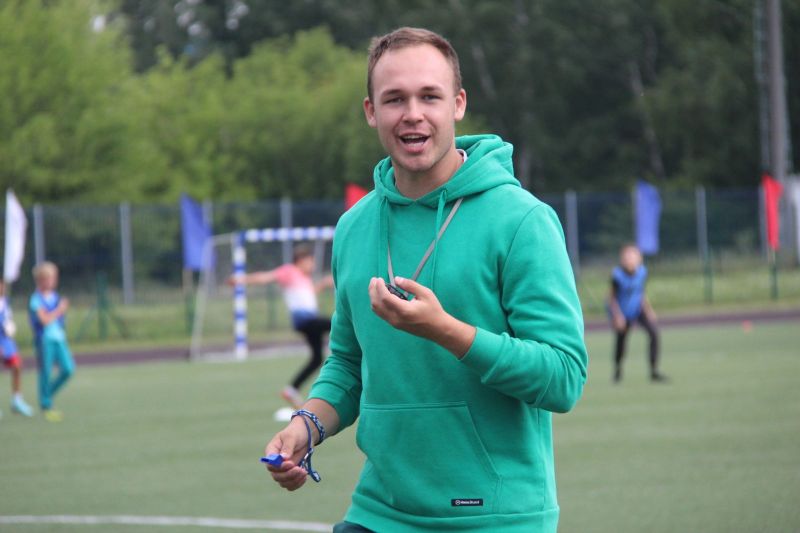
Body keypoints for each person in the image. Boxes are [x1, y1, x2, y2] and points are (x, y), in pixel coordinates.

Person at [263, 27, 588, 532]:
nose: (412, 113)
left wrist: (445, 331)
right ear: (371, 111)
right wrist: (306, 426)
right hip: (380, 512)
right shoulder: (354, 227)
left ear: (458, 105)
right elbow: (348, 364)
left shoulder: (521, 220)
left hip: (497, 518)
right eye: (394, 99)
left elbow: (563, 378)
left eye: (429, 96)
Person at [229, 244, 333, 408]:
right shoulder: (289, 271)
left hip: (310, 321)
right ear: (301, 260)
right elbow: (265, 277)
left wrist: (323, 284)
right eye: (310, 261)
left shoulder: (304, 278)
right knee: (337, 323)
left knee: (317, 358)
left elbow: (308, 294)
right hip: (305, 320)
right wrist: (241, 279)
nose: (313, 265)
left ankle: (291, 390)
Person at [607, 243, 666, 383]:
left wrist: (648, 310)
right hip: (622, 312)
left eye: (633, 257)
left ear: (639, 259)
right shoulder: (617, 275)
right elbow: (611, 298)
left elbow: (640, 293)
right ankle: (617, 371)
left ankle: (654, 371)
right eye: (627, 257)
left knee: (654, 333)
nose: (630, 260)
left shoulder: (642, 273)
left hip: (638, 310)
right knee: (621, 341)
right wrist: (617, 316)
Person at [29, 261, 75, 422]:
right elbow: (44, 320)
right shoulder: (36, 299)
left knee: (68, 369)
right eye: (49, 278)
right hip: (45, 340)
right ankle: (46, 405)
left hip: (59, 338)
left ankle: (46, 395)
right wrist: (59, 310)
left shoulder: (55, 297)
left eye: (54, 278)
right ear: (40, 280)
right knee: (46, 372)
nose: (52, 281)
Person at [0, 281, 34, 418]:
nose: (2, 287)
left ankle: (17, 400)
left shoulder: (5, 301)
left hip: (6, 341)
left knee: (17, 366)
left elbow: (7, 319)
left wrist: (10, 327)